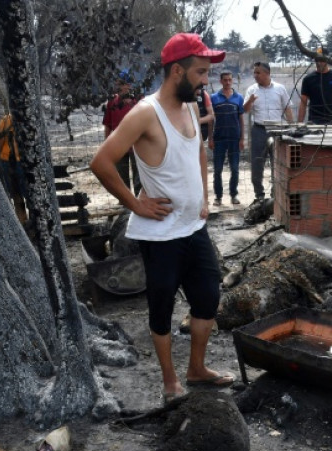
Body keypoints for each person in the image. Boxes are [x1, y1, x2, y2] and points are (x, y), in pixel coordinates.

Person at [90, 33, 234, 403]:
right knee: (162, 308)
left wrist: (203, 196)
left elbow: (199, 152)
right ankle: (171, 382)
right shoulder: (144, 113)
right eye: (200, 72)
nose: (206, 80)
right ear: (176, 71)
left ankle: (197, 369)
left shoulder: (189, 106)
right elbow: (101, 162)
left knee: (207, 299)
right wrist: (135, 205)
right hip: (160, 235)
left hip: (194, 227)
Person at [243, 61, 293, 200]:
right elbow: (245, 110)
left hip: (278, 131)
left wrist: (292, 127)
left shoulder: (280, 89)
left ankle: (275, 196)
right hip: (259, 131)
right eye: (254, 72)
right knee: (257, 163)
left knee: (277, 163)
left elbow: (288, 109)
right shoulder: (252, 90)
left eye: (258, 72)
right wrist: (250, 101)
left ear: (267, 73)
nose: (255, 75)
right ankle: (259, 196)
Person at [209, 70, 245, 206]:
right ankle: (218, 197)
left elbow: (241, 119)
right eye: (225, 80)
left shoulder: (239, 98)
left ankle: (233, 195)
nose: (228, 82)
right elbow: (211, 120)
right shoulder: (214, 98)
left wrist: (242, 138)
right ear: (221, 81)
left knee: (235, 169)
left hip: (234, 139)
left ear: (233, 80)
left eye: (230, 80)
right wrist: (211, 138)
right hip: (219, 139)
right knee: (217, 169)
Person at [103, 69, 142, 194]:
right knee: (121, 174)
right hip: (118, 145)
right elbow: (107, 125)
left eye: (121, 84)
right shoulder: (112, 103)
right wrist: (107, 145)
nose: (118, 87)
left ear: (129, 85)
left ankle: (139, 197)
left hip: (137, 145)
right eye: (117, 84)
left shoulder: (138, 101)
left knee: (139, 174)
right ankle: (125, 200)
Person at [298, 47, 332, 125]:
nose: (319, 62)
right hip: (314, 121)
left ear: (327, 59)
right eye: (317, 60)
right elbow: (303, 103)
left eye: (322, 59)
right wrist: (299, 123)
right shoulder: (308, 79)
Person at [0, 112, 28, 224]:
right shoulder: (7, 121)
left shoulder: (5, 121)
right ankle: (22, 220)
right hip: (15, 161)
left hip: (12, 161)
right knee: (20, 193)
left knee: (14, 193)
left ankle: (21, 221)